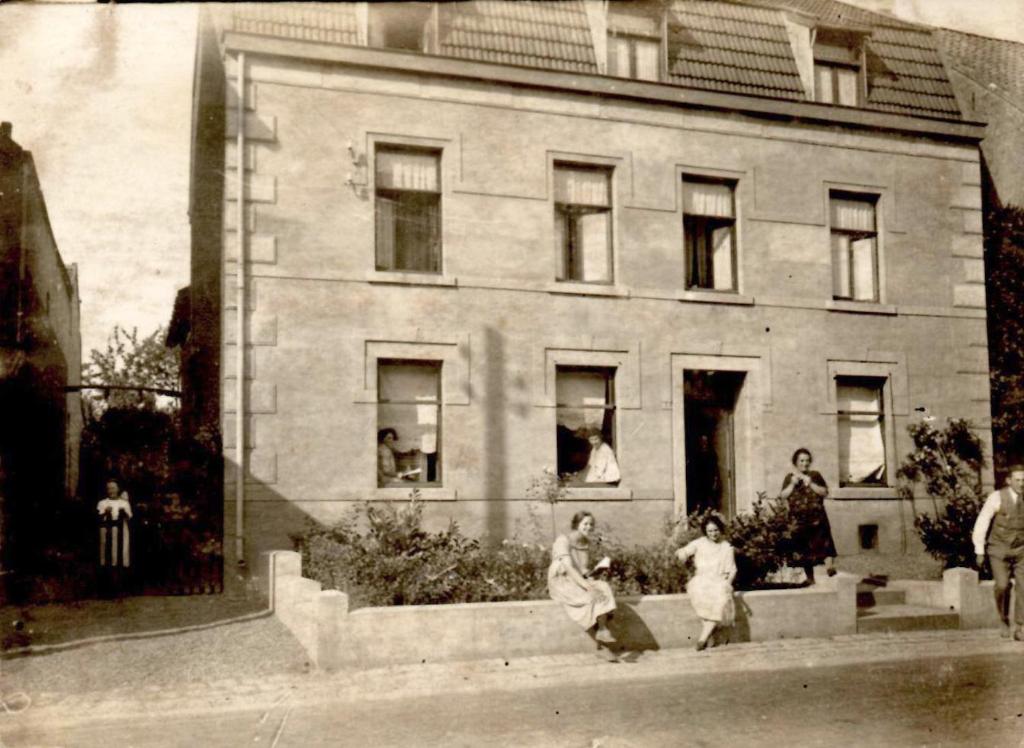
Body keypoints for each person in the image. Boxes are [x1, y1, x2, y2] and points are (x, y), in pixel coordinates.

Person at [547, 511, 618, 662]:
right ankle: (602, 646)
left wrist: (595, 572)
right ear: (576, 524)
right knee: (592, 597)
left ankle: (603, 632)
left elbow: (582, 570)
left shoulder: (585, 544)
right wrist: (588, 587)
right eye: (585, 523)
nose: (588, 527)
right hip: (562, 581)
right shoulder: (563, 540)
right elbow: (569, 568)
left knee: (603, 587)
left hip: (578, 579)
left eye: (591, 524)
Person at [972, 464, 1024, 640]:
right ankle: (1003, 618)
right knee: (1002, 585)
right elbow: (982, 522)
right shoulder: (997, 497)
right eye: (1018, 480)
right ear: (1009, 481)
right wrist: (979, 550)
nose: (1021, 484)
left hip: (1021, 550)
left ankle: (1020, 627)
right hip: (999, 549)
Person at [676, 515, 737, 651]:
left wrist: (727, 584)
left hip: (719, 581)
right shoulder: (699, 543)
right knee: (701, 603)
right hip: (701, 580)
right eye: (710, 531)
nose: (713, 534)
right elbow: (685, 551)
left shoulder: (726, 547)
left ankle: (702, 639)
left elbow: (731, 569)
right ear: (705, 531)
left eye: (715, 530)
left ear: (720, 530)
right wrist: (682, 554)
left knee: (719, 604)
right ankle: (709, 636)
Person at [780, 448, 837, 583]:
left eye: (807, 460)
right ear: (795, 462)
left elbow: (824, 492)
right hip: (799, 520)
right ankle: (810, 578)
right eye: (802, 460)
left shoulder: (815, 475)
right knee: (804, 550)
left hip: (818, 518)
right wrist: (793, 484)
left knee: (825, 543)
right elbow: (783, 495)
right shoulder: (790, 478)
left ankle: (830, 567)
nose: (805, 463)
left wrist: (810, 483)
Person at [96, 478, 133, 597]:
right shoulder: (102, 503)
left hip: (121, 534)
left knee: (119, 557)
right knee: (106, 557)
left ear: (118, 489)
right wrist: (105, 513)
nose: (111, 490)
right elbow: (98, 518)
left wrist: (123, 513)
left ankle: (120, 588)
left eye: (113, 488)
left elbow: (129, 518)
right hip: (106, 534)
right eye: (109, 488)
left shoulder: (124, 503)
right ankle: (106, 589)